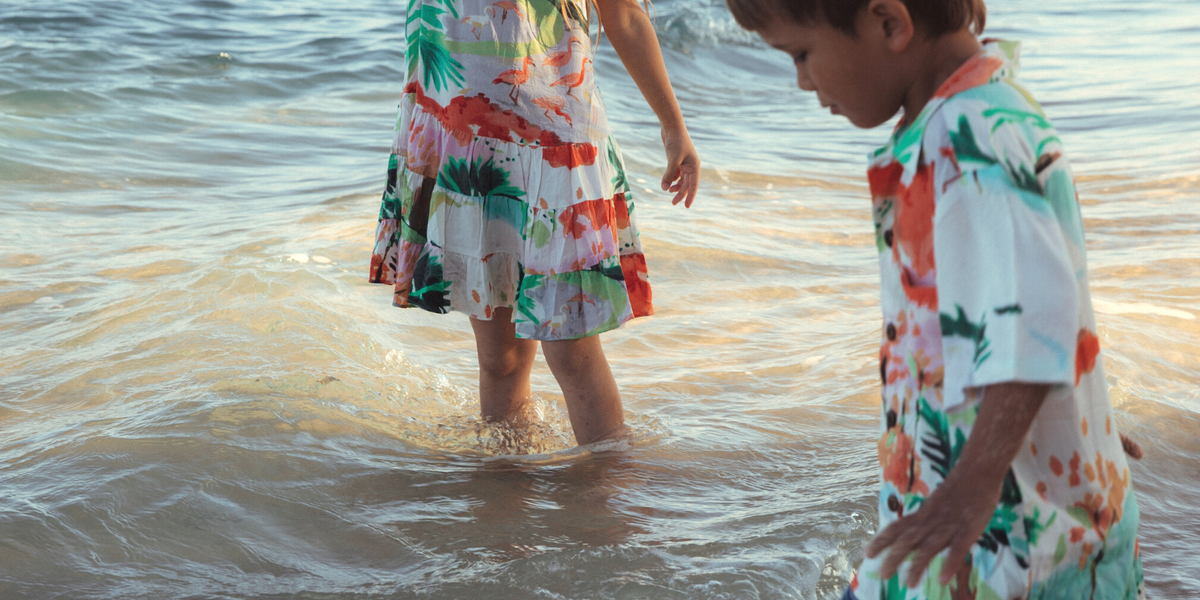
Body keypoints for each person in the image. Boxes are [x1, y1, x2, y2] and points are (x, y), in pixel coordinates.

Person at [725, 0, 1145, 597]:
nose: (801, 80)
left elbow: (1032, 327)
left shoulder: (972, 137)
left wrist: (969, 489)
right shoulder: (964, 119)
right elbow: (1034, 301)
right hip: (979, 492)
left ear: (890, 24)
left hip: (1005, 534)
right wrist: (1076, 416)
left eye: (802, 53)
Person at [369, 0, 699, 446]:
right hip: (461, 137)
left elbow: (623, 15)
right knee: (499, 359)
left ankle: (608, 499)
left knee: (573, 352)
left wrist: (673, 127)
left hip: (555, 148)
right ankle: (507, 500)